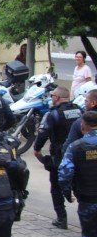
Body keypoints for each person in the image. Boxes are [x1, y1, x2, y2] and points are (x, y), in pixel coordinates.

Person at [58, 111, 97, 237]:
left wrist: (67, 193)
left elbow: (64, 174)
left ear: (83, 126)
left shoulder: (77, 146)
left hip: (89, 202)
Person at [34, 87, 82, 229]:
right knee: (81, 183)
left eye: (52, 95)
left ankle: (62, 218)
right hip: (80, 152)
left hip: (60, 154)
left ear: (56, 97)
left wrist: (37, 149)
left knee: (56, 186)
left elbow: (43, 133)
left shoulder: (53, 114)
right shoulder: (79, 109)